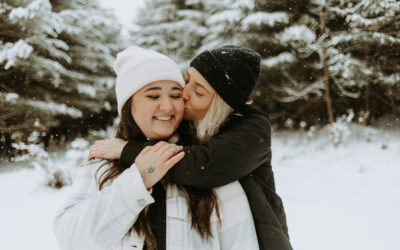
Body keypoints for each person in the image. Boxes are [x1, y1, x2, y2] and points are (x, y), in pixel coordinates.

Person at [53, 46, 259, 250]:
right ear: (128, 104)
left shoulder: (212, 169)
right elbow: (70, 239)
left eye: (176, 95)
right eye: (153, 96)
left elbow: (242, 243)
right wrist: (138, 180)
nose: (168, 107)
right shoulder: (103, 164)